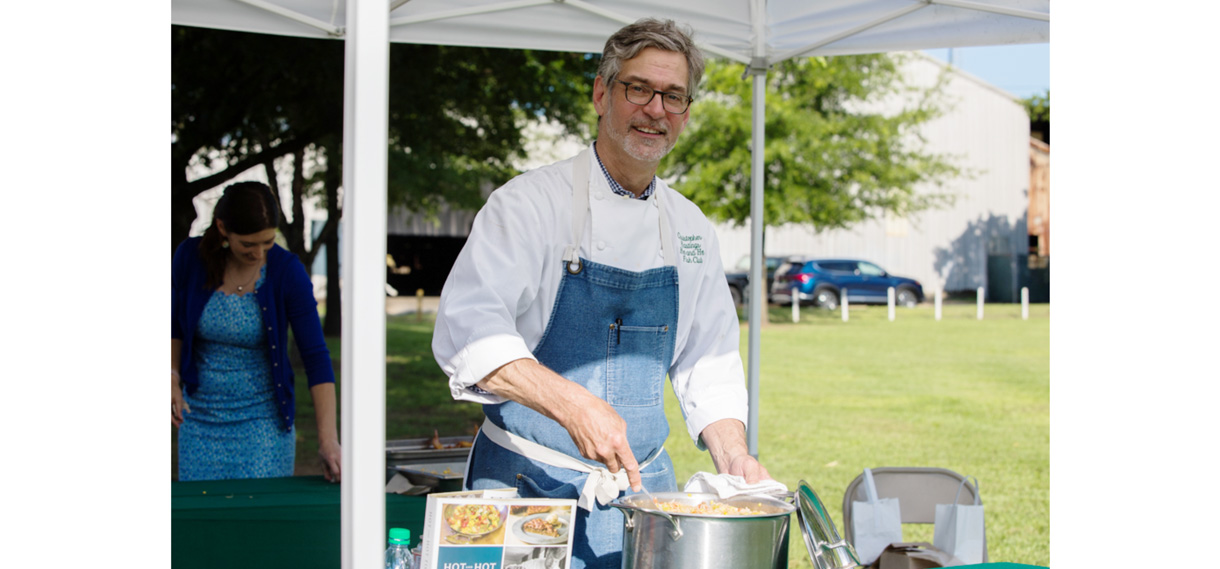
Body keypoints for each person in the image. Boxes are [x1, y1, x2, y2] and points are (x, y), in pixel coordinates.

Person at [432, 18, 769, 569]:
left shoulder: (690, 228)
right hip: (524, 486)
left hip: (644, 498)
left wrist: (733, 454)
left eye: (674, 97)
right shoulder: (526, 205)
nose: (656, 110)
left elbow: (709, 361)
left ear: (685, 112)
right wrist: (573, 405)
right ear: (600, 93)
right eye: (639, 88)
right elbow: (468, 331)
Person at [172, 181, 341, 482]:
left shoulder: (287, 271)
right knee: (205, 523)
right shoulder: (189, 258)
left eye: (267, 242)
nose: (259, 253)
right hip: (199, 422)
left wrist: (328, 440)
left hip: (263, 425)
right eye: (248, 245)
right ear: (223, 228)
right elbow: (174, 325)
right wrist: (171, 375)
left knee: (259, 522)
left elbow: (316, 358)